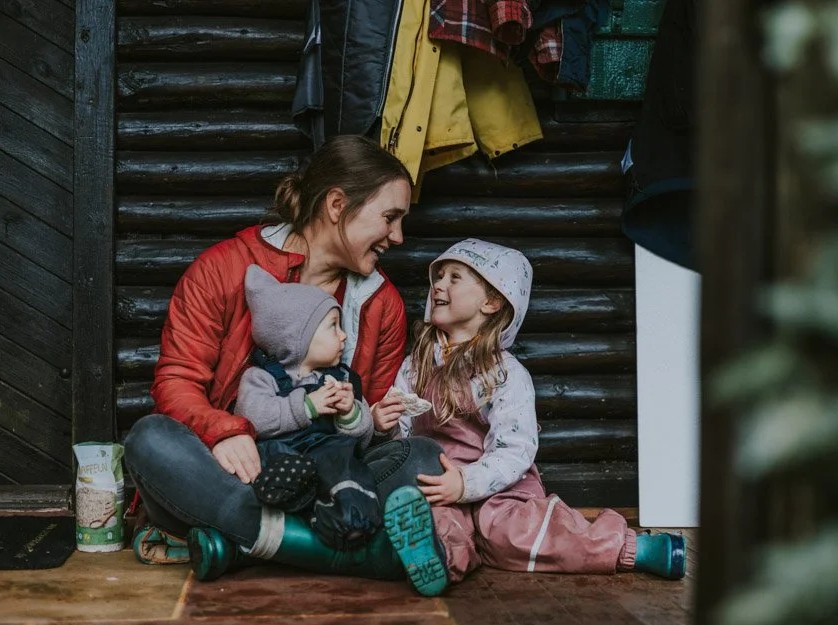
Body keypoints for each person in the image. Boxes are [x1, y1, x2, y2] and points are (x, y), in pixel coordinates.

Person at [123, 135, 446, 579]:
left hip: (333, 480)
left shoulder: (382, 305)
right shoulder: (224, 268)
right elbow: (175, 381)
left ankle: (240, 544)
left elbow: (364, 431)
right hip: (233, 471)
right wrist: (224, 432)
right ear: (337, 205)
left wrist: (371, 418)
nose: (398, 237)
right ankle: (348, 553)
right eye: (389, 218)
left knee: (424, 459)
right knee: (149, 439)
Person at [379, 239, 687, 596]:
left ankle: (633, 547)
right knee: (439, 520)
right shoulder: (415, 365)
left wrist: (467, 482)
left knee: (510, 533)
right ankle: (439, 560)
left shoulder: (504, 374)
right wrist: (385, 425)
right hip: (439, 481)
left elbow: (514, 450)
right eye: (438, 276)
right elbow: (401, 433)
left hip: (500, 488)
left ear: (491, 303)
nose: (438, 284)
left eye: (455, 277)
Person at [235, 264, 382, 551]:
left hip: (325, 458)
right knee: (272, 454)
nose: (343, 336)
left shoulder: (341, 377)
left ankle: (351, 524)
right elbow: (252, 418)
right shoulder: (262, 376)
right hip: (282, 458)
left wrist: (350, 414)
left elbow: (363, 438)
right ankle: (292, 493)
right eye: (333, 327)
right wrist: (306, 406)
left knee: (342, 459)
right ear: (297, 338)